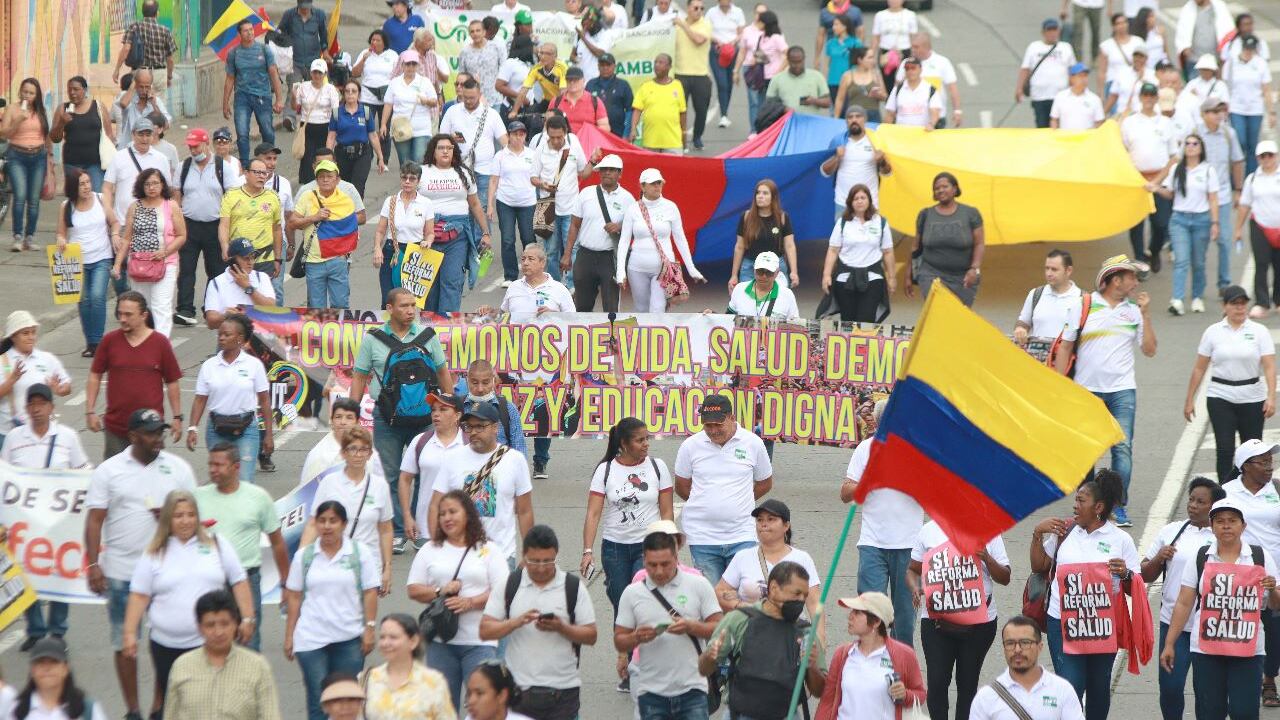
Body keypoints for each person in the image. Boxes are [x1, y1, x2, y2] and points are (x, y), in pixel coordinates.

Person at [122, 490, 253, 717]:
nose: (185, 521)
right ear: (168, 519)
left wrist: (248, 617)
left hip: (210, 643)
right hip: (165, 646)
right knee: (174, 702)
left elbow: (239, 581)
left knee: (209, 703)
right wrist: (129, 633)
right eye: (179, 515)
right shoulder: (155, 552)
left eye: (191, 514)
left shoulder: (217, 544)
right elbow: (139, 594)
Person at [350, 288, 452, 553]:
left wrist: (451, 406)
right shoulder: (373, 340)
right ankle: (396, 530)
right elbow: (360, 376)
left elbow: (442, 371)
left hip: (426, 418)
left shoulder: (428, 337)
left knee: (424, 473)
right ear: (390, 308)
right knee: (391, 475)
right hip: (387, 418)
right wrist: (351, 411)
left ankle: (418, 529)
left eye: (413, 306)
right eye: (404, 306)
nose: (410, 311)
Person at [1030, 471, 1139, 718]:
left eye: (1081, 501)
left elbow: (1136, 587)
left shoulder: (1120, 540)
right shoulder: (1065, 531)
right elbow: (1039, 567)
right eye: (1076, 500)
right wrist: (1038, 534)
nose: (1074, 505)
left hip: (1101, 624)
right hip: (1063, 622)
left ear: (1098, 507)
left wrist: (1125, 574)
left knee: (1099, 688)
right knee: (1070, 686)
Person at [1161, 497, 1280, 718]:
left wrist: (1272, 589)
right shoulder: (1200, 557)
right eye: (1220, 521)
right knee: (1209, 711)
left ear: (1243, 526)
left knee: (1244, 711)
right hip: (1207, 650)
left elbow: (1276, 605)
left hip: (1249, 651)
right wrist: (1169, 643)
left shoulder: (1259, 557)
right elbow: (1184, 602)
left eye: (1232, 521)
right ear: (1212, 526)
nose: (1226, 525)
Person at [1064, 256, 1157, 527]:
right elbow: (1067, 347)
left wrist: (1147, 314)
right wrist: (1059, 388)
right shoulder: (1084, 306)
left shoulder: (1134, 311)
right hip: (1087, 391)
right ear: (1116, 279)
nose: (1136, 283)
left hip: (1122, 390)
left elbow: (1150, 350)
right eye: (1132, 277)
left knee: (1122, 449)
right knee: (1086, 450)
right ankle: (1087, 505)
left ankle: (1117, 506)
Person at [479, 525, 597, 719]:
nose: (541, 568)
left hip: (563, 693)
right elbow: (485, 630)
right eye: (534, 561)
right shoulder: (510, 585)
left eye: (547, 561)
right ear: (524, 556)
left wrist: (562, 627)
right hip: (518, 692)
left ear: (556, 555)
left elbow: (591, 635)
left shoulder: (572, 587)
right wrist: (514, 623)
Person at [407, 490, 509, 712]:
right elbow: (413, 589)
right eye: (442, 513)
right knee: (443, 708)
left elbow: (503, 592)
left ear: (468, 515)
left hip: (480, 642)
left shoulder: (488, 549)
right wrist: (438, 591)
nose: (447, 518)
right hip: (440, 643)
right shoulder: (430, 549)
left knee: (483, 709)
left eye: (453, 512)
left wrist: (470, 603)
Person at [4, 384, 88, 651]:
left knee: (60, 573)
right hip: (24, 522)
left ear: (52, 407)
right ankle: (37, 630)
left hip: (59, 521)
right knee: (26, 572)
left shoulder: (67, 436)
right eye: (32, 404)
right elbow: (4, 478)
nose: (37, 409)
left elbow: (84, 470)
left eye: (42, 404)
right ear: (27, 408)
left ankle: (57, 631)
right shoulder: (15, 438)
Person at [284, 500, 381, 720]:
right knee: (320, 701)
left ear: (344, 524)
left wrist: (370, 628)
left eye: (333, 521)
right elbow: (294, 596)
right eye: (322, 521)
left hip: (349, 638)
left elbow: (370, 592)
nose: (327, 526)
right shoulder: (304, 557)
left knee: (347, 702)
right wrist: (290, 635)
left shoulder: (359, 553)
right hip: (310, 639)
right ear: (315, 524)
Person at [614, 530, 724, 720]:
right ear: (644, 560)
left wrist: (692, 627)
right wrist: (636, 638)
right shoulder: (632, 593)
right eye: (652, 565)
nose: (658, 571)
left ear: (676, 557)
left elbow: (720, 627)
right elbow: (620, 641)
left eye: (665, 564)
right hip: (650, 692)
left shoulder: (698, 585)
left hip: (693, 690)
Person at [907, 521, 1011, 720]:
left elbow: (1005, 577)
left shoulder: (989, 531)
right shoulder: (928, 531)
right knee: (937, 682)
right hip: (936, 622)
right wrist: (915, 588)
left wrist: (986, 557)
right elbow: (912, 569)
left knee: (968, 683)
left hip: (980, 623)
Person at [1139, 476, 1222, 720]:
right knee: (1170, 688)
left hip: (1210, 627)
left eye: (1200, 501)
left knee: (1206, 692)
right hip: (1173, 624)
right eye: (1191, 500)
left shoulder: (1222, 536)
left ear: (1213, 506)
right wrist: (1159, 558)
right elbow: (1144, 573)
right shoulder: (1172, 531)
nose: (1193, 505)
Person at [841, 398, 922, 647]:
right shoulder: (866, 449)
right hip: (872, 543)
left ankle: (901, 671)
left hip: (909, 545)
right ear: (878, 421)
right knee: (870, 611)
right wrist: (870, 480)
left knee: (904, 618)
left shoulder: (920, 451)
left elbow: (933, 497)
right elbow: (845, 493)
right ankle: (871, 663)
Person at [700, 561, 826, 719]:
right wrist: (710, 656)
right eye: (796, 593)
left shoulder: (806, 632)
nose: (801, 601)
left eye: (805, 596)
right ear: (773, 588)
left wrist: (812, 666)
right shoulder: (739, 620)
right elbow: (704, 670)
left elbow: (819, 691)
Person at [195, 442, 289, 652]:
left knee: (249, 642)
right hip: (209, 579)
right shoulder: (198, 497)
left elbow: (277, 543)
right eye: (211, 464)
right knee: (209, 644)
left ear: (236, 467)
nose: (213, 469)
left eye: (219, 465)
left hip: (247, 579)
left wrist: (285, 584)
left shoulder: (258, 497)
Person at [672, 393, 773, 584]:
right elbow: (682, 485)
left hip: (742, 534)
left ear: (732, 418)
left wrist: (740, 501)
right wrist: (705, 502)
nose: (713, 430)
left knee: (746, 593)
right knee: (712, 600)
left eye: (718, 424)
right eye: (708, 425)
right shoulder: (690, 446)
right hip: (702, 537)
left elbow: (765, 482)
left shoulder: (753, 443)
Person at [581, 416, 675, 617]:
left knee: (642, 602)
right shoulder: (605, 470)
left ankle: (642, 648)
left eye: (647, 438)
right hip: (614, 549)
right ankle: (625, 648)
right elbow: (593, 513)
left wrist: (668, 544)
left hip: (648, 547)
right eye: (640, 440)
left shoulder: (658, 467)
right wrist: (587, 551)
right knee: (622, 605)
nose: (646, 444)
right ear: (624, 443)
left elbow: (667, 511)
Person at [1185, 285, 1277, 482]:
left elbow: (1269, 366)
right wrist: (1189, 399)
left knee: (1251, 451)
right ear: (1224, 306)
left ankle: (1248, 489)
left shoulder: (1259, 331)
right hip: (1221, 395)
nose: (1240, 308)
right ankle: (1224, 493)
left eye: (1243, 303)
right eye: (1234, 304)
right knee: (1225, 449)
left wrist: (1271, 397)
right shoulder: (1213, 332)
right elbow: (1200, 367)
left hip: (1252, 396)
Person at [428, 400, 534, 564]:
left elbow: (525, 510)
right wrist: (436, 545)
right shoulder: (453, 459)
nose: (473, 432)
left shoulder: (515, 460)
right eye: (469, 427)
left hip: (502, 556)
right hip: (459, 556)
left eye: (480, 426)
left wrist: (529, 551)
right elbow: (435, 505)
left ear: (495, 427)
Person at [84, 292, 184, 459]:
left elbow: (172, 382)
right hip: (116, 429)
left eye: (128, 314)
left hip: (150, 431)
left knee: (151, 479)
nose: (122, 319)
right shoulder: (109, 341)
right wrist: (90, 411)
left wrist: (177, 417)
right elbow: (95, 376)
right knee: (116, 481)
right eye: (120, 313)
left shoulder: (160, 343)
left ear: (144, 315)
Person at [1220, 439, 1280, 706]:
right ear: (1244, 466)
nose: (1269, 466)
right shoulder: (1226, 493)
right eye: (1263, 461)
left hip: (1275, 573)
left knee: (1275, 629)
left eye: (1270, 460)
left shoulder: (1276, 489)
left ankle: (1269, 677)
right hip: (1240, 576)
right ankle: (1244, 680)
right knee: (1245, 628)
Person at [161, 589, 281, 720]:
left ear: (236, 624)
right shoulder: (182, 666)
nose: (218, 632)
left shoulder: (257, 666)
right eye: (210, 625)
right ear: (199, 628)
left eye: (225, 624)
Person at [303, 427, 395, 587]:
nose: (358, 455)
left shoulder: (379, 486)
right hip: (332, 564)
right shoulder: (328, 483)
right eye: (352, 449)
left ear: (370, 454)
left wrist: (387, 567)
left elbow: (386, 529)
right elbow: (313, 524)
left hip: (368, 566)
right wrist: (301, 558)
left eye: (363, 449)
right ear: (343, 453)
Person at [185, 313, 272, 481]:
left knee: (245, 480)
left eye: (227, 335)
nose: (222, 338)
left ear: (240, 337)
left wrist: (268, 434)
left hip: (246, 429)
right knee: (221, 479)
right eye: (220, 334)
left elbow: (264, 400)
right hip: (217, 429)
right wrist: (192, 428)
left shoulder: (253, 365)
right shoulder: (209, 366)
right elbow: (200, 399)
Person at [814, 591, 926, 719]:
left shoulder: (904, 654)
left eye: (857, 612)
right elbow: (827, 700)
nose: (850, 616)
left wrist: (905, 695)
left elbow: (920, 694)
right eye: (852, 612)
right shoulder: (842, 654)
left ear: (876, 621)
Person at [714, 498, 822, 628]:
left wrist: (819, 639)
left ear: (786, 526)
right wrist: (739, 605)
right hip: (749, 631)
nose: (764, 524)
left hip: (790, 632)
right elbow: (719, 592)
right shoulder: (743, 557)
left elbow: (814, 603)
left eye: (771, 519)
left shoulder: (802, 558)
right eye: (760, 520)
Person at [418, 134, 492, 312]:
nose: (445, 151)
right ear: (433, 151)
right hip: (428, 233)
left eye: (449, 148)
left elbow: (474, 204)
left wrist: (486, 233)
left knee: (452, 282)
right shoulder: (422, 171)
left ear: (454, 151)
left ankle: (447, 329)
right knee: (429, 285)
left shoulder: (464, 172)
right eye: (441, 148)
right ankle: (428, 328)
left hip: (457, 235)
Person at [615, 168, 707, 313]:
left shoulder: (671, 207)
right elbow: (624, 241)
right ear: (642, 186)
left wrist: (691, 268)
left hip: (664, 269)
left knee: (657, 308)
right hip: (637, 267)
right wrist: (620, 271)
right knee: (641, 309)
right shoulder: (633, 209)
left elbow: (680, 239)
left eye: (659, 182)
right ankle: (643, 336)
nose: (657, 186)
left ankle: (658, 335)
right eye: (653, 183)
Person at [57, 168, 121, 358]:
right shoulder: (66, 206)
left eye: (87, 182)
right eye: (81, 184)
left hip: (101, 257)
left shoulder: (101, 199)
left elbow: (114, 222)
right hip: (78, 261)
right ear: (73, 188)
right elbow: (61, 232)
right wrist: (61, 239)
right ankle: (91, 342)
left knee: (97, 297)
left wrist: (116, 233)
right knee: (84, 301)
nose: (86, 187)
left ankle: (99, 342)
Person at [968, 616, 1085, 720]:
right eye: (1010, 643)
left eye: (1025, 643)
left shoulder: (1062, 691)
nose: (1017, 649)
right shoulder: (986, 698)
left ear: (1040, 647)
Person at [1155, 133, 1221, 315]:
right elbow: (1170, 194)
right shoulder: (1177, 168)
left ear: (1201, 148)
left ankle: (1197, 296)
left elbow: (1213, 198)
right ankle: (1177, 299)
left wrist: (1215, 222)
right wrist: (1156, 188)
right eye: (1188, 143)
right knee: (1181, 260)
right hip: (1180, 219)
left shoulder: (1208, 170)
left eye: (1195, 144)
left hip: (1201, 219)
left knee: (1198, 262)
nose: (1191, 146)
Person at [174, 129, 235, 327]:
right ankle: (185, 309)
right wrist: (177, 222)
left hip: (215, 225)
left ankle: (211, 306)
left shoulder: (222, 167)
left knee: (216, 269)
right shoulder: (183, 167)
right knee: (186, 268)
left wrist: (228, 227)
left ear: (206, 144)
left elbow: (232, 197)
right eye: (190, 147)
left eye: (196, 146)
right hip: (189, 225)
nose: (193, 150)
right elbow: (177, 195)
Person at [117, 168, 185, 337]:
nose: (151, 187)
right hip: (139, 265)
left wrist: (165, 252)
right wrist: (118, 264)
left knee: (161, 306)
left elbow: (182, 235)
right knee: (141, 307)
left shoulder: (171, 206)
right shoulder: (135, 207)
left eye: (155, 183)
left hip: (165, 263)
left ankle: (161, 347)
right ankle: (142, 342)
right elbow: (126, 238)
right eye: (147, 184)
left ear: (162, 185)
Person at [531, 116, 598, 286]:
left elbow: (583, 173)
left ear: (565, 133)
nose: (555, 141)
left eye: (558, 137)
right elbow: (533, 178)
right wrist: (543, 185)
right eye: (551, 137)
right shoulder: (541, 149)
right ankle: (554, 284)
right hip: (548, 208)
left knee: (573, 249)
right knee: (551, 251)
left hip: (571, 208)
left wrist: (593, 161)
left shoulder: (574, 143)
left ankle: (571, 285)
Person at [289, 159, 365, 308]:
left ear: (337, 179)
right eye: (321, 176)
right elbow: (292, 223)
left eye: (329, 176)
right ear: (316, 179)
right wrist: (314, 217)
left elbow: (358, 221)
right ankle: (319, 333)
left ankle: (339, 332)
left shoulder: (346, 200)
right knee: (317, 308)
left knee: (341, 305)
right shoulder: (307, 196)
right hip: (313, 262)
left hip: (338, 260)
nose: (325, 179)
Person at [562, 154, 633, 311]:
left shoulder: (628, 199)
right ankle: (583, 335)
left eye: (611, 170)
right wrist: (567, 255)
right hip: (585, 255)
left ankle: (612, 335)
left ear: (619, 174)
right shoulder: (586, 194)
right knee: (582, 305)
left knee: (611, 305)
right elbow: (574, 225)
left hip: (610, 258)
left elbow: (634, 229)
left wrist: (619, 226)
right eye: (604, 169)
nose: (607, 172)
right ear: (599, 172)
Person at [905, 172, 984, 307]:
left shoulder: (971, 213)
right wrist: (908, 276)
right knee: (937, 313)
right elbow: (915, 247)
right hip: (930, 274)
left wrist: (974, 269)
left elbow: (979, 243)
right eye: (937, 188)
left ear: (955, 189)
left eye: (945, 186)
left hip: (963, 277)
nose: (941, 190)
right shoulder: (925, 215)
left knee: (959, 318)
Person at [399, 393, 468, 545]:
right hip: (426, 529)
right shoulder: (420, 441)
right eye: (434, 410)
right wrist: (407, 516)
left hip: (463, 530)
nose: (436, 414)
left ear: (457, 415)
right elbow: (404, 479)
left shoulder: (469, 445)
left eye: (443, 410)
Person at [1124, 83, 1180, 268]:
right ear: (1140, 98)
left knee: (1161, 223)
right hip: (1137, 179)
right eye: (1145, 95)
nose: (1148, 98)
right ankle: (1140, 259)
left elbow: (1173, 156)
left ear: (1156, 98)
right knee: (1136, 224)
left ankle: (1154, 250)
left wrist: (1158, 180)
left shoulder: (1165, 123)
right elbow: (1122, 152)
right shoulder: (1130, 123)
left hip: (1160, 178)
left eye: (1151, 95)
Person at [361, 614, 456, 720]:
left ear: (413, 641)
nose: (385, 643)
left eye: (393, 637)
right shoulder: (367, 678)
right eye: (382, 637)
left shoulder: (434, 681)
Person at [822, 184, 894, 323]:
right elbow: (833, 250)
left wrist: (892, 277)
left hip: (872, 278)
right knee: (848, 321)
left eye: (863, 197)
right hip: (845, 279)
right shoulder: (843, 223)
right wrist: (826, 275)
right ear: (850, 202)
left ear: (869, 200)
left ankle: (864, 344)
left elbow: (888, 252)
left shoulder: (880, 222)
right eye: (856, 198)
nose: (860, 201)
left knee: (866, 320)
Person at [0, 311, 72, 445]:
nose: (31, 337)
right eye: (25, 333)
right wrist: (12, 380)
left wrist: (60, 390)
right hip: (8, 434)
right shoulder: (3, 361)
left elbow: (67, 386)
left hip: (43, 432)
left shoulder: (46, 358)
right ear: (13, 336)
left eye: (33, 332)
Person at [440, 78, 507, 218]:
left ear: (480, 94)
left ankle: (483, 239)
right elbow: (440, 141)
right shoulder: (452, 112)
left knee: (481, 213)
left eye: (472, 98)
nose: (469, 101)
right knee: (459, 212)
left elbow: (504, 141)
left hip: (484, 171)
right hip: (458, 170)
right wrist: (451, 138)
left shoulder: (491, 114)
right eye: (465, 98)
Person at [1197, 96, 1245, 291]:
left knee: (1224, 240)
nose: (1220, 115)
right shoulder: (1194, 134)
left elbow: (1238, 161)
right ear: (1204, 114)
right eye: (1215, 112)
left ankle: (1224, 282)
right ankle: (1198, 287)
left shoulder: (1228, 134)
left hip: (1223, 195)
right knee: (1200, 244)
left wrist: (1238, 190)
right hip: (1199, 197)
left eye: (1221, 111)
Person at [218, 155, 282, 297]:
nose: (261, 176)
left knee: (262, 298)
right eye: (257, 172)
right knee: (239, 296)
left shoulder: (273, 197)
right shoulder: (231, 195)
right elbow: (224, 225)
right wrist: (224, 247)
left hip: (264, 258)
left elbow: (277, 229)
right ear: (246, 173)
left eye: (264, 173)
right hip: (239, 257)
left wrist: (277, 258)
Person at [223, 19, 284, 167]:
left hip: (263, 96)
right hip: (242, 97)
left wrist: (279, 99)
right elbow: (230, 79)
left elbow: (274, 74)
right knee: (242, 133)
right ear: (239, 34)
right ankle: (245, 166)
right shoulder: (234, 53)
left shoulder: (264, 50)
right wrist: (225, 103)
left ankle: (268, 162)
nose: (250, 32)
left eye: (251, 29)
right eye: (246, 30)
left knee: (267, 131)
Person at [2, 78, 53, 252]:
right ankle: (17, 236)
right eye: (25, 92)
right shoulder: (12, 109)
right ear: (20, 91)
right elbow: (4, 133)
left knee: (33, 200)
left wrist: (49, 156)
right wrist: (18, 120)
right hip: (17, 155)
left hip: (38, 157)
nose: (28, 96)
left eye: (31, 93)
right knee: (20, 196)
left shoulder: (40, 110)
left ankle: (29, 237)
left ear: (36, 95)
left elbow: (46, 135)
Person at [1013, 249, 1085, 369]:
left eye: (1054, 269)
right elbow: (1023, 321)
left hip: (1068, 366)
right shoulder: (1036, 294)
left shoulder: (1082, 299)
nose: (1049, 273)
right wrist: (1020, 329)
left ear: (1068, 270)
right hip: (1036, 365)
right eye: (1047, 268)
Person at [373, 162, 433, 305]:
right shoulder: (391, 201)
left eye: (412, 178)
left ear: (418, 181)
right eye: (404, 177)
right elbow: (381, 230)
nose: (407, 182)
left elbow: (430, 232)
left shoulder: (426, 203)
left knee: (410, 300)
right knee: (389, 297)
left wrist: (428, 241)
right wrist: (377, 248)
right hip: (392, 250)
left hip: (415, 253)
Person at [10, 636, 108, 720]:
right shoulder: (17, 710)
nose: (47, 668)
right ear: (32, 670)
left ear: (66, 669)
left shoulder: (86, 710)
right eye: (40, 663)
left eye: (54, 662)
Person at [489, 122, 538, 287]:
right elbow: (494, 180)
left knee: (528, 238)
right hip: (506, 202)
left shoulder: (532, 154)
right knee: (508, 239)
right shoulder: (500, 156)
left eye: (522, 134)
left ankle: (532, 273)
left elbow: (538, 176)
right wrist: (490, 204)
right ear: (509, 136)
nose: (519, 137)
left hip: (528, 202)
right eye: (515, 134)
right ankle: (510, 276)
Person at [821, 106, 891, 214]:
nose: (854, 120)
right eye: (850, 117)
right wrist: (837, 158)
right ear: (846, 121)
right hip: (843, 202)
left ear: (865, 119)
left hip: (870, 203)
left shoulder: (875, 141)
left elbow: (888, 173)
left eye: (858, 116)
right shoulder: (838, 141)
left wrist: (881, 160)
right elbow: (824, 171)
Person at [51, 76, 115, 192]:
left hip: (95, 163)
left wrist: (110, 158)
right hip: (72, 163)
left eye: (76, 89)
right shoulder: (63, 109)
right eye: (69, 90)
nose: (72, 93)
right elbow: (55, 138)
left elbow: (109, 134)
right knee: (75, 198)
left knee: (96, 196)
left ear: (84, 90)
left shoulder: (98, 107)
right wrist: (61, 122)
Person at [477, 243, 574, 318]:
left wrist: (554, 316)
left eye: (531, 259)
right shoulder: (514, 287)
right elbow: (503, 314)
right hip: (517, 342)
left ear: (542, 263)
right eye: (523, 259)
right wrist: (490, 311)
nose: (525, 263)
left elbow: (574, 320)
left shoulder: (559, 289)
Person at [1239, 141, 1280, 317]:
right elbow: (1244, 204)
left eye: (1270, 155)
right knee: (1261, 263)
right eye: (1263, 156)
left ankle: (1278, 301)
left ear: (1276, 156)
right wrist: (1237, 229)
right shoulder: (1252, 178)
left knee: (1279, 265)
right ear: (1258, 158)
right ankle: (1262, 302)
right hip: (1260, 225)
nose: (1267, 159)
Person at [1225, 35, 1274, 177]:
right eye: (1247, 48)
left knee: (1252, 145)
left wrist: (1271, 112)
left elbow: (1266, 89)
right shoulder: (1232, 63)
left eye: (1251, 49)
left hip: (1255, 109)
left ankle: (1250, 176)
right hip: (1236, 108)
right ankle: (1237, 175)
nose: (1248, 51)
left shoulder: (1260, 64)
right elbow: (1226, 85)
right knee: (1240, 141)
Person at [328, 79, 386, 198]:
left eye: (353, 91)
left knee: (357, 187)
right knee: (344, 188)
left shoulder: (365, 111)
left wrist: (380, 157)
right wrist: (328, 158)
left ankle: (357, 215)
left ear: (358, 94)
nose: (350, 94)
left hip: (362, 154)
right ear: (343, 94)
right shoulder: (336, 113)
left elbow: (373, 136)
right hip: (342, 155)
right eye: (347, 91)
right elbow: (331, 137)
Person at [279, 0, 331, 129]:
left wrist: (325, 51)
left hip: (313, 61)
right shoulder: (289, 15)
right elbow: (280, 33)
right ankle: (289, 118)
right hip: (294, 60)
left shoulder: (319, 14)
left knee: (315, 89)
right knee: (294, 89)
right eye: (302, 7)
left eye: (307, 7)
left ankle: (314, 118)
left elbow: (324, 35)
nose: (305, 10)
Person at [382, 49, 438, 168]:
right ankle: (407, 185)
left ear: (417, 65)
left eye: (413, 64)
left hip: (421, 128)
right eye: (408, 64)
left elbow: (434, 101)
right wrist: (383, 124)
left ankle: (418, 185)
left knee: (418, 159)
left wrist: (426, 101)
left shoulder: (425, 82)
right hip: (401, 127)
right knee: (405, 161)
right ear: (402, 65)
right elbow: (388, 104)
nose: (410, 67)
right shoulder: (395, 82)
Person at [202, 238, 276, 329]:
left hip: (259, 338)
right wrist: (226, 316)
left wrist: (247, 287)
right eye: (246, 258)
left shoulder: (261, 277)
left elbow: (271, 308)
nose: (251, 262)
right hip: (231, 339)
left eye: (253, 257)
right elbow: (211, 322)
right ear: (232, 261)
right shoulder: (216, 283)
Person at [1018, 19, 1076, 128]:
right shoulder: (1034, 47)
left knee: (1060, 127)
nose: (1052, 33)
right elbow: (1025, 69)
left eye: (1055, 30)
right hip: (1040, 96)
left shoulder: (1066, 47)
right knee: (1042, 127)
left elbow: (1073, 71)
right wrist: (1019, 89)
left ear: (1059, 31)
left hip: (1061, 96)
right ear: (1043, 32)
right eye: (1049, 30)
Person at [735, 10, 788, 130]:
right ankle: (760, 131)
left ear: (765, 23)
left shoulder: (776, 38)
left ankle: (773, 130)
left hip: (773, 78)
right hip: (762, 77)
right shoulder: (762, 37)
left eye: (760, 21)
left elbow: (788, 54)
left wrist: (779, 71)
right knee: (760, 105)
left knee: (772, 106)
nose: (757, 23)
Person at [353, 30, 399, 165]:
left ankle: (383, 159)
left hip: (386, 97)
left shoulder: (392, 55)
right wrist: (364, 59)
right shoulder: (365, 53)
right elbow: (355, 73)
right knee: (366, 127)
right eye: (372, 40)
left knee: (385, 128)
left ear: (384, 42)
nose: (374, 42)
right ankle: (368, 157)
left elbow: (397, 75)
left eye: (378, 40)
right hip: (367, 96)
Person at [672, 1, 713, 151]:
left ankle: (697, 137)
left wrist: (683, 25)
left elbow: (698, 40)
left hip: (700, 74)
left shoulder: (705, 24)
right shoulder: (676, 26)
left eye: (702, 8)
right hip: (680, 73)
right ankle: (679, 139)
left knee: (701, 109)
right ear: (688, 9)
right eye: (695, 8)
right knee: (679, 110)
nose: (699, 11)